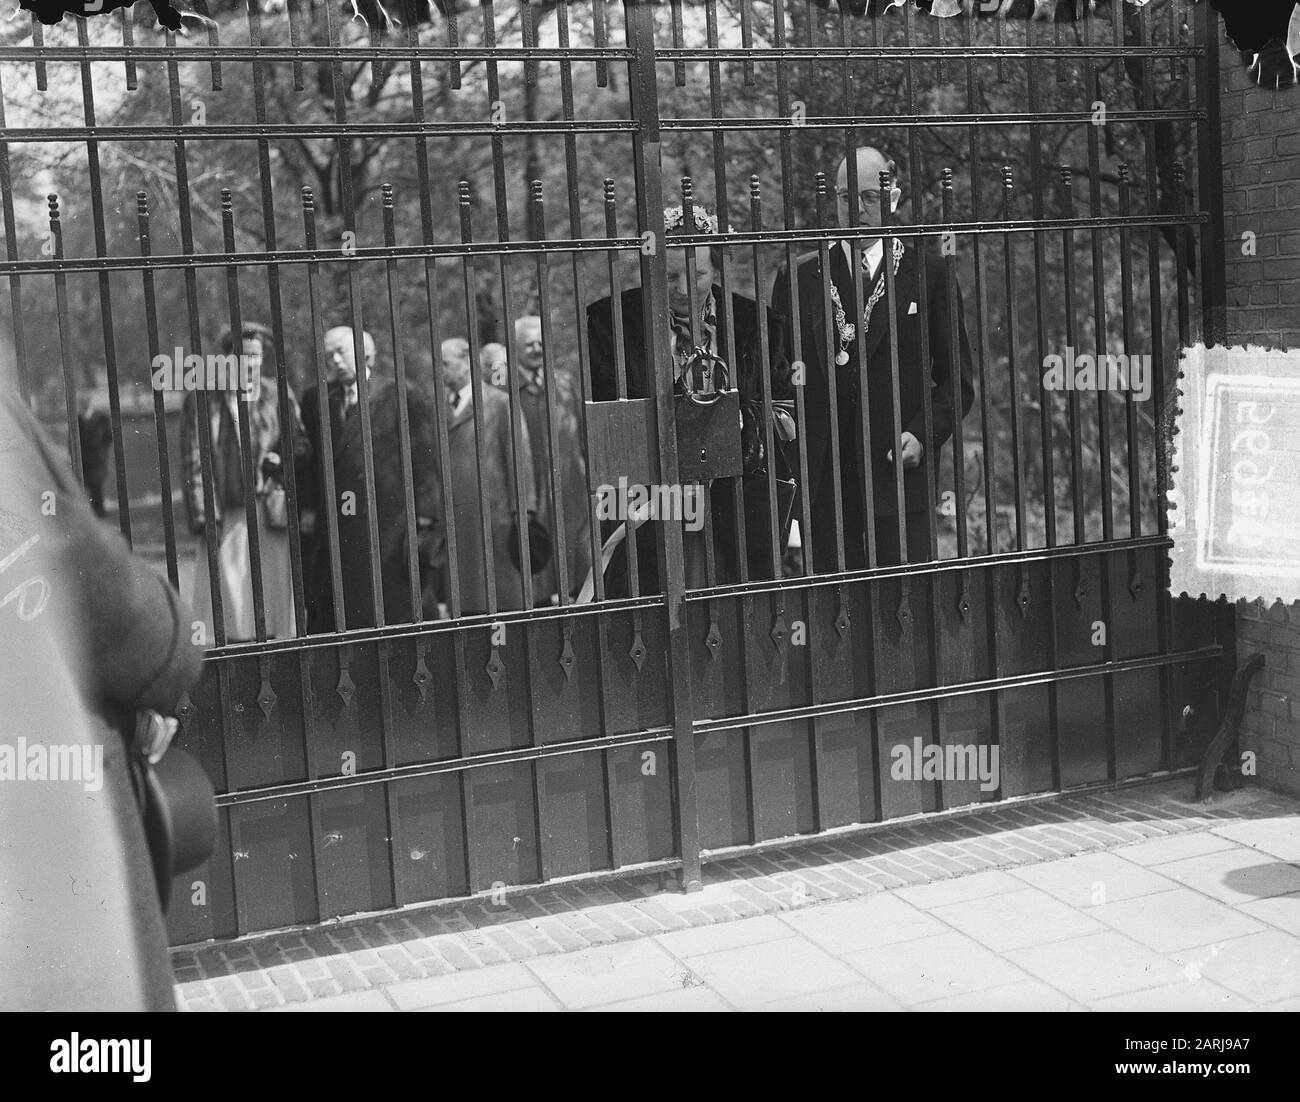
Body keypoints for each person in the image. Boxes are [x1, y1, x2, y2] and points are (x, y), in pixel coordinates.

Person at [771, 145, 975, 570]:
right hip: (825, 484)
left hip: (899, 474)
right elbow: (780, 377)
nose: (858, 208)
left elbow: (957, 381)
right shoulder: (800, 276)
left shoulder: (930, 273)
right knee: (835, 611)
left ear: (893, 199)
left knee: (902, 607)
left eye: (870, 197)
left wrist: (922, 435)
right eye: (848, 197)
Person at [586, 199, 794, 596]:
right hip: (650, 505)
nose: (683, 289)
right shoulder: (610, 322)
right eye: (670, 276)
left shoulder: (759, 324)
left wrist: (742, 424)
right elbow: (608, 414)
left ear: (716, 269)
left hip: (735, 505)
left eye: (696, 275)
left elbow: (784, 408)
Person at [181, 322, 307, 643]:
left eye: (256, 356)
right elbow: (195, 460)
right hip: (230, 511)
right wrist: (205, 515)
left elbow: (300, 443)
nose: (250, 363)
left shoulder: (277, 394)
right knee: (231, 597)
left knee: (272, 592)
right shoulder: (206, 400)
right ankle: (238, 656)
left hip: (269, 508)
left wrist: (281, 458)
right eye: (243, 356)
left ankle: (275, 652)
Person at [438, 337, 538, 615]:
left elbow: (520, 457)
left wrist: (524, 510)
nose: (440, 371)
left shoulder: (500, 403)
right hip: (456, 517)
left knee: (500, 596)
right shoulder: (439, 407)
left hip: (495, 515)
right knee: (464, 598)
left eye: (445, 364)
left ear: (467, 363)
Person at [506, 315, 592, 604]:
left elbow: (583, 431)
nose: (536, 348)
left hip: (570, 482)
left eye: (541, 342)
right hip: (531, 482)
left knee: (576, 547)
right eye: (528, 343)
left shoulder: (564, 382)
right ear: (514, 346)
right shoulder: (504, 390)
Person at [297, 325, 374, 633]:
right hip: (331, 515)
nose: (335, 361)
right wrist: (307, 508)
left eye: (341, 352)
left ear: (366, 353)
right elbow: (308, 457)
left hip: (374, 514)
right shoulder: (316, 398)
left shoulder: (395, 395)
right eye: (329, 356)